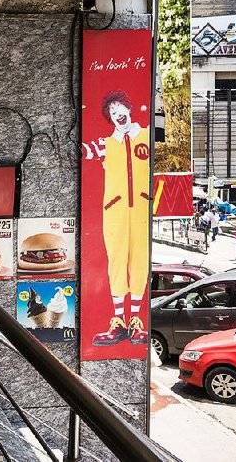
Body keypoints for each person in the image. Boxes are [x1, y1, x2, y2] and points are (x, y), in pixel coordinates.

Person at [82, 91, 150, 347]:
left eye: (120, 107)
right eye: (112, 111)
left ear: (129, 108)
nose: (117, 113)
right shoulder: (106, 143)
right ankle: (119, 320)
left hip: (142, 209)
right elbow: (82, 150)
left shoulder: (146, 136)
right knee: (117, 263)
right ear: (110, 118)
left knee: (140, 262)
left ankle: (136, 320)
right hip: (115, 211)